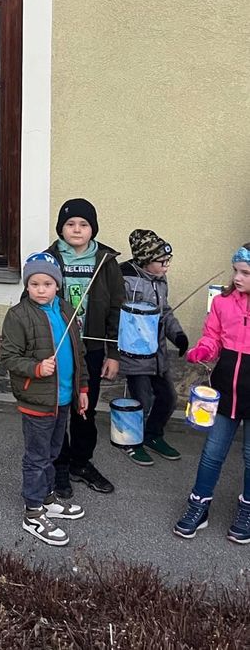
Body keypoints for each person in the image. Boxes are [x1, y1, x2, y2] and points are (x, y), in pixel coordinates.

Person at [1, 252, 89, 547]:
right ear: (27, 286)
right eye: (35, 283)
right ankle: (33, 511)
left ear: (57, 285)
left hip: (62, 399)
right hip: (36, 399)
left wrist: (83, 390)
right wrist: (37, 368)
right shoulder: (18, 315)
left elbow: (79, 354)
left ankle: (48, 498)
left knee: (53, 453)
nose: (41, 289)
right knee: (37, 457)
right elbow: (10, 357)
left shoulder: (65, 310)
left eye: (47, 283)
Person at [45, 198, 124, 497]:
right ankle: (59, 465)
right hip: (59, 348)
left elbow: (117, 308)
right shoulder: (48, 259)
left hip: (91, 349)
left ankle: (81, 461)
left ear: (93, 229)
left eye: (83, 224)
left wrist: (113, 353)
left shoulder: (105, 262)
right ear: (61, 228)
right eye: (70, 224)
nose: (76, 229)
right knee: (58, 407)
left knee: (84, 408)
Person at [173, 244, 250, 544]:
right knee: (212, 454)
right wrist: (203, 349)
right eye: (236, 271)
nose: (237, 277)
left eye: (245, 273)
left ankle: (246, 510)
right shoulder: (222, 302)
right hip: (223, 392)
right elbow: (212, 336)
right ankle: (199, 505)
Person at [118, 229, 188, 466]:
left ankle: (152, 435)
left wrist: (177, 335)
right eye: (162, 261)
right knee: (141, 401)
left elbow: (164, 311)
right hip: (135, 354)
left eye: (168, 260)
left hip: (157, 354)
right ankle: (131, 441)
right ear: (146, 261)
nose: (167, 265)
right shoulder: (125, 280)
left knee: (168, 397)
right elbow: (117, 316)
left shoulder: (160, 280)